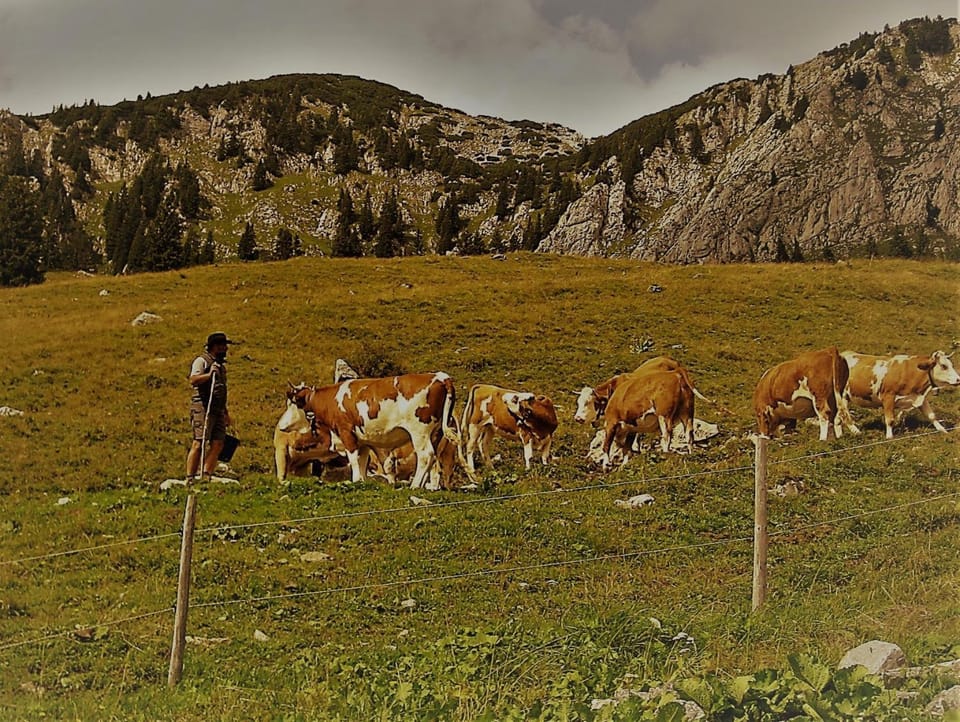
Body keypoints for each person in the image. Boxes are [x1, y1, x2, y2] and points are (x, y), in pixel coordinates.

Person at [185, 332, 233, 482]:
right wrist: (208, 376)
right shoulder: (201, 361)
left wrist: (225, 412)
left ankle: (206, 474)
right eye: (223, 346)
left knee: (219, 442)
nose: (225, 349)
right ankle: (190, 477)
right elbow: (193, 380)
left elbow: (220, 389)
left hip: (217, 408)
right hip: (203, 407)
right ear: (215, 347)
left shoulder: (221, 366)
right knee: (199, 442)